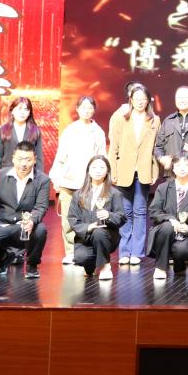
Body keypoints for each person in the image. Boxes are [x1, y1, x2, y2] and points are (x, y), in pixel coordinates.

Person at [0, 141, 51, 278]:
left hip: (24, 227)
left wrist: (32, 220)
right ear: (13, 159)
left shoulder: (43, 180)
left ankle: (32, 265)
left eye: (28, 159)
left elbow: (41, 206)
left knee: (40, 230)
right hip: (3, 225)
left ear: (35, 160)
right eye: (20, 159)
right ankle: (4, 258)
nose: (23, 164)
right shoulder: (2, 175)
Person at [49, 95, 107, 264]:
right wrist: (56, 177)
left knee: (88, 218)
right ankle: (70, 251)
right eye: (83, 108)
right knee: (68, 218)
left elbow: (102, 157)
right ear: (78, 109)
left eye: (90, 108)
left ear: (94, 110)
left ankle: (85, 250)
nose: (87, 111)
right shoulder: (70, 130)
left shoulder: (98, 132)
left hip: (89, 183)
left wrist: (102, 178)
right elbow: (61, 155)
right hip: (68, 181)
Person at [108, 83, 161, 266]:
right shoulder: (121, 118)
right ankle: (125, 251)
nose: (140, 102)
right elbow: (114, 147)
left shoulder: (154, 120)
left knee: (139, 211)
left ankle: (137, 252)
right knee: (125, 212)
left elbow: (156, 148)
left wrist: (155, 170)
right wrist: (113, 170)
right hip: (123, 170)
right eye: (136, 99)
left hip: (144, 171)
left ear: (148, 101)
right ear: (130, 99)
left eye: (143, 99)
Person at [67, 154, 125, 279]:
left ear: (107, 171)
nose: (98, 171)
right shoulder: (78, 194)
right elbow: (72, 218)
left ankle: (105, 266)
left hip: (106, 236)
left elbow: (121, 217)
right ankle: (92, 264)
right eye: (94, 167)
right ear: (88, 170)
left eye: (102, 167)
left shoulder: (115, 193)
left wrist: (109, 215)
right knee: (81, 258)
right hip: (86, 236)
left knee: (99, 233)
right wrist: (89, 227)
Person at [147, 153, 188, 279]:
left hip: (185, 235)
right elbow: (154, 211)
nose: (182, 168)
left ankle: (180, 264)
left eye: (186, 165)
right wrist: (171, 220)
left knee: (181, 249)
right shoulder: (163, 188)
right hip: (164, 232)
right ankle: (160, 267)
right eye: (178, 165)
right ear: (173, 168)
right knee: (167, 226)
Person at [0, 95, 44, 182]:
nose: (22, 112)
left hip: (28, 176)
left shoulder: (35, 131)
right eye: (19, 109)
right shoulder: (3, 130)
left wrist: (38, 181)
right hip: (7, 176)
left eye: (26, 109)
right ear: (12, 111)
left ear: (29, 113)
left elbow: (39, 158)